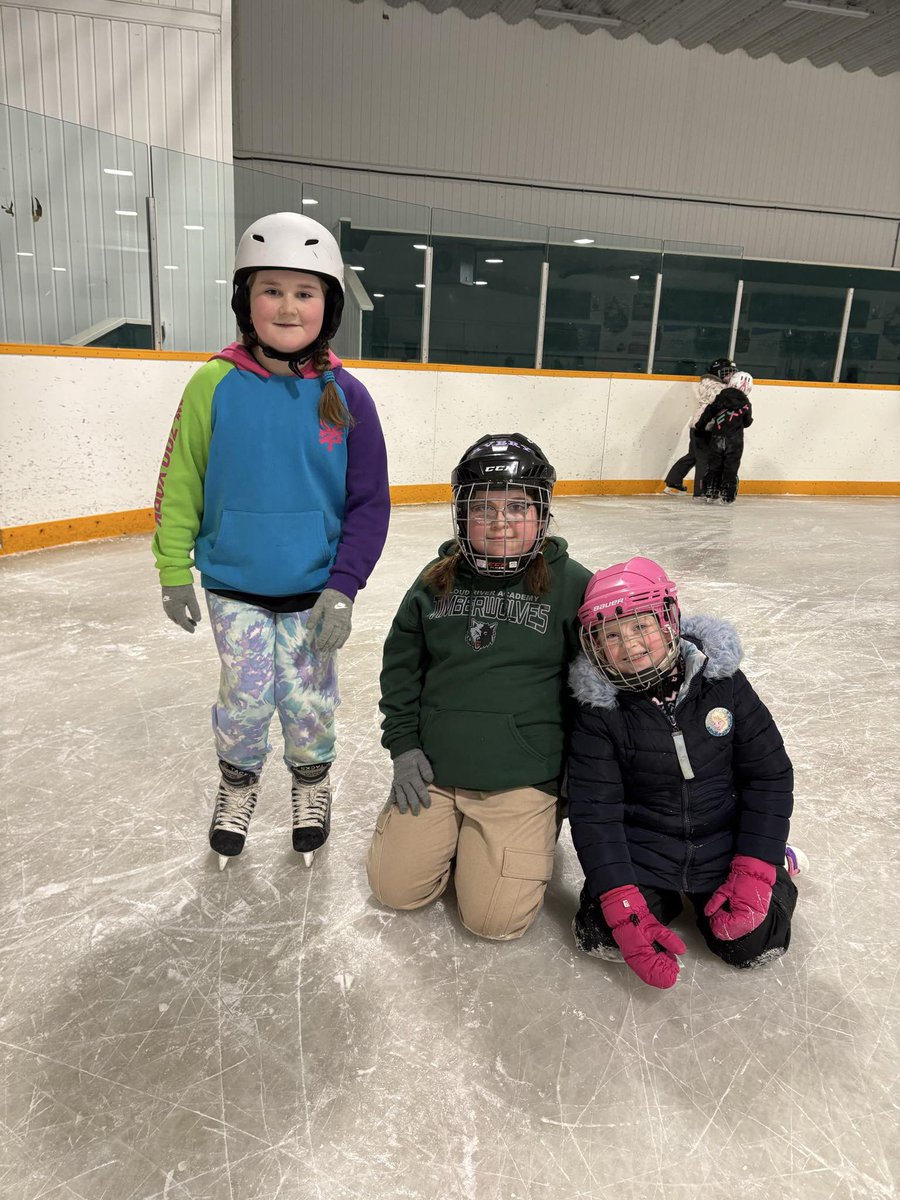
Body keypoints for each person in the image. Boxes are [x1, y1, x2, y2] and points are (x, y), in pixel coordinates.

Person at [152, 212, 390, 868]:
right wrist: (174, 569)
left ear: (329, 304)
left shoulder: (347, 395)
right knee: (248, 692)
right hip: (235, 582)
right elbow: (181, 481)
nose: (288, 306)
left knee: (308, 697)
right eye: (272, 289)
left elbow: (370, 503)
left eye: (305, 292)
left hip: (315, 589)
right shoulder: (213, 383)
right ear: (245, 300)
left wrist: (344, 588)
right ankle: (238, 786)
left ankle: (311, 790)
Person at [367, 434, 591, 940]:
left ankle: (511, 835)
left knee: (494, 922)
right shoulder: (434, 581)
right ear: (460, 515)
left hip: (521, 780)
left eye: (517, 505)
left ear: (542, 512)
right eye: (483, 507)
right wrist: (403, 748)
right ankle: (453, 841)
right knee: (394, 890)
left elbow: (595, 689)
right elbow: (400, 670)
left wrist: (573, 779)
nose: (500, 520)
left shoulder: (573, 585)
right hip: (436, 774)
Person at [566, 557, 801, 989]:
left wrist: (755, 865)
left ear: (668, 620)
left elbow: (768, 775)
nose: (630, 645)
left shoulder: (722, 683)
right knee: (603, 933)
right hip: (646, 850)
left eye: (641, 627)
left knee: (751, 945)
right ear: (595, 646)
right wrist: (621, 901)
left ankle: (778, 866)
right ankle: (664, 898)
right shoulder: (600, 712)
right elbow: (594, 812)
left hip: (724, 843)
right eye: (611, 635)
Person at [663, 358, 737, 497]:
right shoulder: (717, 387)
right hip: (704, 428)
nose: (730, 376)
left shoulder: (709, 383)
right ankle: (701, 492)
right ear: (717, 372)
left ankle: (673, 482)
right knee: (705, 460)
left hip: (697, 427)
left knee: (693, 456)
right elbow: (720, 402)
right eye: (727, 372)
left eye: (732, 372)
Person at [698, 373, 753, 504]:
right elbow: (747, 422)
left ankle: (710, 492)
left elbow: (708, 412)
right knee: (731, 467)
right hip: (735, 440)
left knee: (714, 465)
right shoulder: (746, 404)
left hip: (717, 437)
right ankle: (727, 495)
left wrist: (700, 426)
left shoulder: (720, 397)